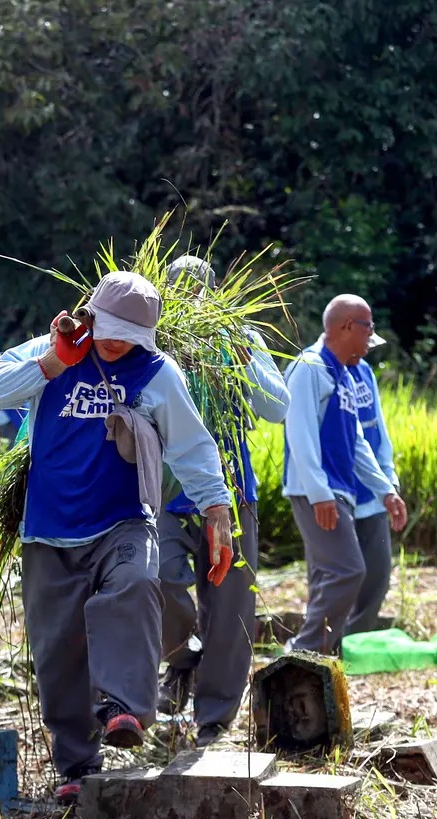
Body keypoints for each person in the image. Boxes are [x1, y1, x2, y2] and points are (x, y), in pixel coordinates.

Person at [0, 270, 233, 804]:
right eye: (110, 329)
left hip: (124, 517)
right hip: (48, 526)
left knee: (138, 584)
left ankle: (124, 707)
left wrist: (217, 510)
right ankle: (76, 764)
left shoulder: (159, 373)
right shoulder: (51, 350)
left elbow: (192, 446)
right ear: (90, 315)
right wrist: (54, 362)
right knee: (58, 647)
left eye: (129, 335)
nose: (116, 342)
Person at [155, 255, 290, 748]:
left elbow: (277, 407)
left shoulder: (241, 337)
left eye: (197, 289)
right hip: (169, 497)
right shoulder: (157, 337)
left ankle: (213, 718)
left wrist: (244, 355)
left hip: (232, 494)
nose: (188, 297)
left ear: (213, 293)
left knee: (231, 612)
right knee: (160, 584)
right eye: (178, 288)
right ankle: (183, 658)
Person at [282, 295, 406, 656]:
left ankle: (316, 659)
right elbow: (300, 434)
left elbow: (357, 444)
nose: (371, 339)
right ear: (347, 326)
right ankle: (303, 652)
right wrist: (319, 493)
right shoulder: (309, 367)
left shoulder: (345, 374)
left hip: (341, 491)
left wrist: (385, 490)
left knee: (332, 577)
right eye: (368, 329)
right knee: (348, 572)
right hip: (316, 492)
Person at [345, 322, 409, 634]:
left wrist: (389, 482)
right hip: (337, 496)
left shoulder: (366, 373)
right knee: (342, 578)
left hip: (374, 496)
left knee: (378, 576)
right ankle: (330, 647)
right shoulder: (317, 370)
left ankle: (358, 640)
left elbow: (378, 432)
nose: (369, 347)